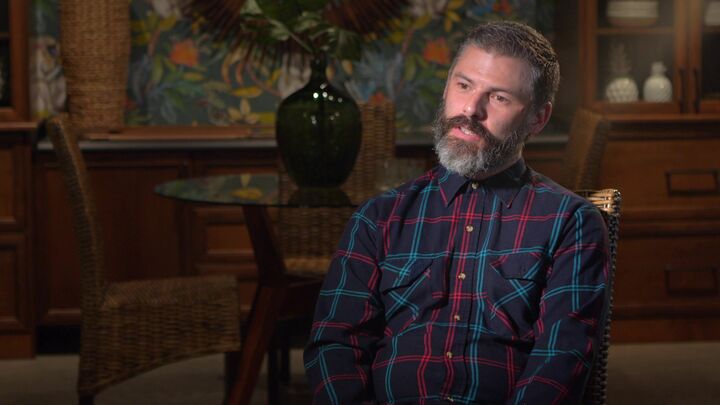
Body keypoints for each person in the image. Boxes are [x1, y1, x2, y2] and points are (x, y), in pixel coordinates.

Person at [304, 20, 610, 405]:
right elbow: (335, 343)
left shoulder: (571, 222)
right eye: (464, 85)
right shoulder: (378, 217)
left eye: (498, 97)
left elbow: (561, 360)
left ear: (538, 118)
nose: (470, 109)